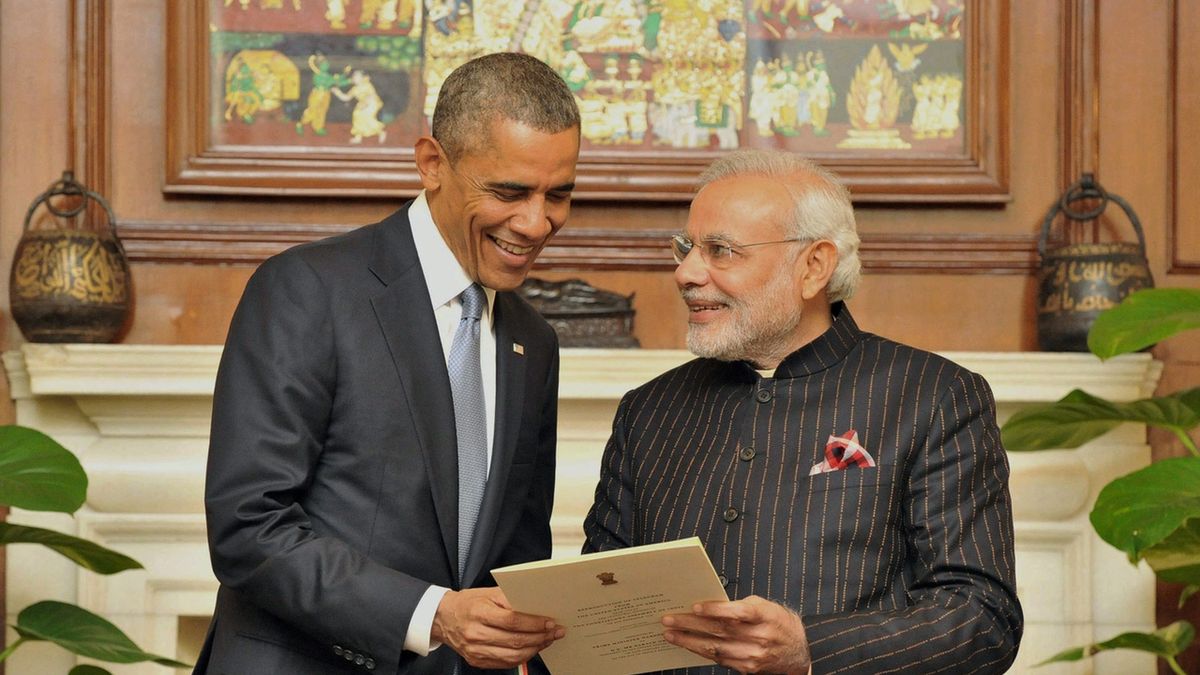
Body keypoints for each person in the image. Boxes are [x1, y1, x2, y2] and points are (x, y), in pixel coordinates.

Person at [197, 52, 581, 675]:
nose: (536, 222)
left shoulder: (533, 343)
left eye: (557, 195)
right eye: (509, 192)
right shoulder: (307, 289)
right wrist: (433, 615)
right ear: (432, 163)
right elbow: (249, 526)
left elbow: (515, 561)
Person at [583, 148, 1023, 674]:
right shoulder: (648, 411)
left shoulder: (935, 395)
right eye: (686, 247)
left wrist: (811, 648)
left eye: (721, 250)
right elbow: (600, 609)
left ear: (814, 265)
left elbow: (982, 619)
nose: (686, 272)